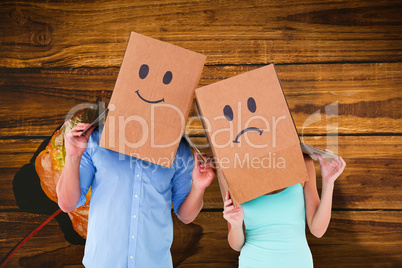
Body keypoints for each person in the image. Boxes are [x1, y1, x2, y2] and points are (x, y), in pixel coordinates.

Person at [56, 123, 214, 267]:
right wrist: (73, 156)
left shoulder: (180, 148)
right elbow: (67, 203)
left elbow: (185, 216)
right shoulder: (96, 138)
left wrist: (198, 187)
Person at [223, 152, 346, 268]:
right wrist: (236, 226)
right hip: (254, 262)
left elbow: (318, 230)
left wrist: (328, 182)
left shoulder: (301, 160)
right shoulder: (231, 168)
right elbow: (236, 245)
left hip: (297, 262)